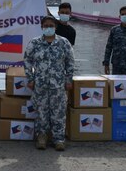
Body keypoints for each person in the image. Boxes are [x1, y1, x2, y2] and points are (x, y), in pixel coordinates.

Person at [23, 15, 74, 151]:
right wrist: (30, 78)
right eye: (46, 26)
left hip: (58, 85)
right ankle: (42, 137)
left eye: (51, 25)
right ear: (41, 27)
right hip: (40, 85)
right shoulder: (34, 43)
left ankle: (59, 139)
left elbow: (70, 62)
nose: (48, 28)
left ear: (55, 27)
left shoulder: (64, 43)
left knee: (59, 113)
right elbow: (27, 60)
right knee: (41, 112)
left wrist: (68, 80)